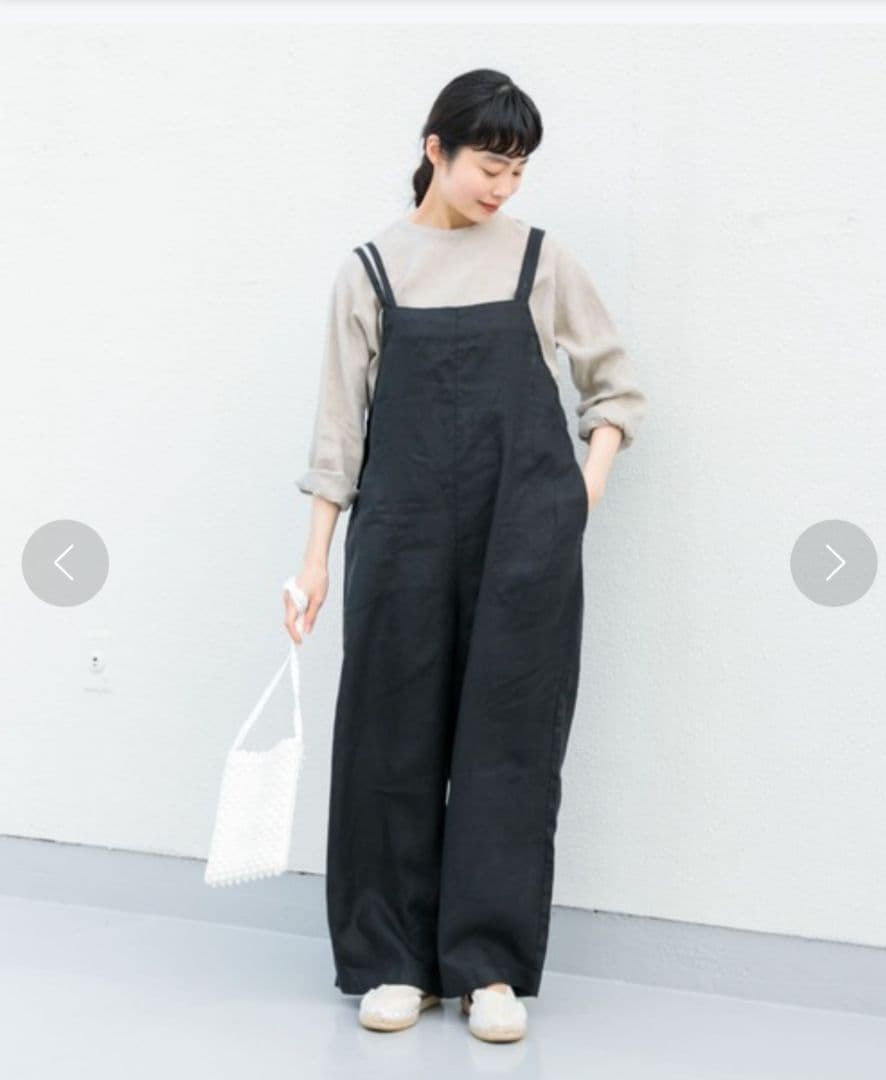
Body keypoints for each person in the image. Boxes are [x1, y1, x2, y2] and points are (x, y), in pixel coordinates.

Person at [284, 68, 647, 1043]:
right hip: (399, 535)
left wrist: (580, 491)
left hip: (524, 539)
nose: (504, 187)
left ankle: (487, 968)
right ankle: (394, 961)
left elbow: (613, 387)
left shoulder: (538, 259)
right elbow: (336, 437)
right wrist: (313, 563)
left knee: (509, 742)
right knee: (388, 739)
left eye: (518, 170)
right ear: (434, 149)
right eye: (490, 165)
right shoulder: (370, 271)